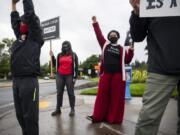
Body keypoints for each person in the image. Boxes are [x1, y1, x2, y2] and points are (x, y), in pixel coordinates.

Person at [129, 0, 180, 134]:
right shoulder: (148, 2)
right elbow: (137, 36)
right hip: (161, 67)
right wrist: (137, 12)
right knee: (148, 119)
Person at [86, 16, 134, 124]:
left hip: (118, 76)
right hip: (106, 74)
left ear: (117, 37)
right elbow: (99, 35)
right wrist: (95, 23)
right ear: (108, 37)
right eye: (111, 35)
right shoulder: (105, 44)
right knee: (102, 95)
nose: (113, 35)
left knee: (116, 98)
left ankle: (113, 118)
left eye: (115, 35)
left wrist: (130, 51)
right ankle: (97, 117)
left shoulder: (121, 48)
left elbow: (128, 59)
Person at [10, 0, 44, 134]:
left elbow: (29, 13)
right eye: (21, 22)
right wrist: (13, 5)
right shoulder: (20, 37)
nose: (22, 24)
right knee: (20, 116)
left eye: (25, 22)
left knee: (30, 117)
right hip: (16, 81)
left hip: (29, 82)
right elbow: (14, 22)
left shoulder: (35, 37)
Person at [50, 41, 78, 117]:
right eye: (63, 45)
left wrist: (75, 77)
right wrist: (52, 56)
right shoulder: (59, 55)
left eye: (66, 45)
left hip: (69, 76)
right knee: (59, 93)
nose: (65, 46)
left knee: (71, 93)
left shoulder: (73, 55)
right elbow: (55, 63)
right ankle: (58, 109)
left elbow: (76, 67)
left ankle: (72, 109)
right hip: (60, 75)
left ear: (69, 46)